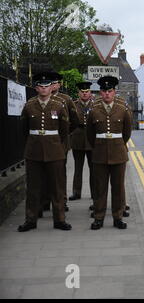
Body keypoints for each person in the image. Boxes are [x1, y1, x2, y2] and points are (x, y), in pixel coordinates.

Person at [18, 73, 72, 232]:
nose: (43, 89)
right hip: (34, 152)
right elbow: (24, 130)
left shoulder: (59, 105)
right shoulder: (29, 105)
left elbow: (64, 130)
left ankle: (59, 219)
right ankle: (30, 220)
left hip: (54, 151)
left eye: (47, 86)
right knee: (33, 188)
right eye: (40, 86)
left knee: (57, 188)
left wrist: (56, 145)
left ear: (51, 88)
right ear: (36, 88)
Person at [87, 76, 132, 230]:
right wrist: (98, 146)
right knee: (100, 187)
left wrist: (119, 144)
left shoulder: (122, 109)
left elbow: (127, 132)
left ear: (114, 92)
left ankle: (117, 217)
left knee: (118, 187)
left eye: (110, 91)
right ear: (100, 92)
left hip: (118, 153)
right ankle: (98, 217)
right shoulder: (94, 110)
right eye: (104, 91)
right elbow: (90, 134)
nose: (107, 94)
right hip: (99, 153)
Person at [40, 72, 78, 214]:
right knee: (43, 173)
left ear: (59, 85)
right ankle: (44, 201)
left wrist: (65, 134)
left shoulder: (66, 99)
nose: (54, 85)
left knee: (59, 174)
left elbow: (74, 121)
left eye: (56, 83)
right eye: (52, 83)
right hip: (43, 143)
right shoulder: (39, 99)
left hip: (61, 143)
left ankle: (61, 201)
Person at [69, 82, 95, 205]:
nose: (84, 94)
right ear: (79, 93)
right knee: (78, 168)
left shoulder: (95, 105)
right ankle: (76, 192)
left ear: (90, 93)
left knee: (93, 168)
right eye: (82, 92)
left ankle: (94, 193)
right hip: (78, 139)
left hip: (91, 140)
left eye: (87, 92)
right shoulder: (73, 105)